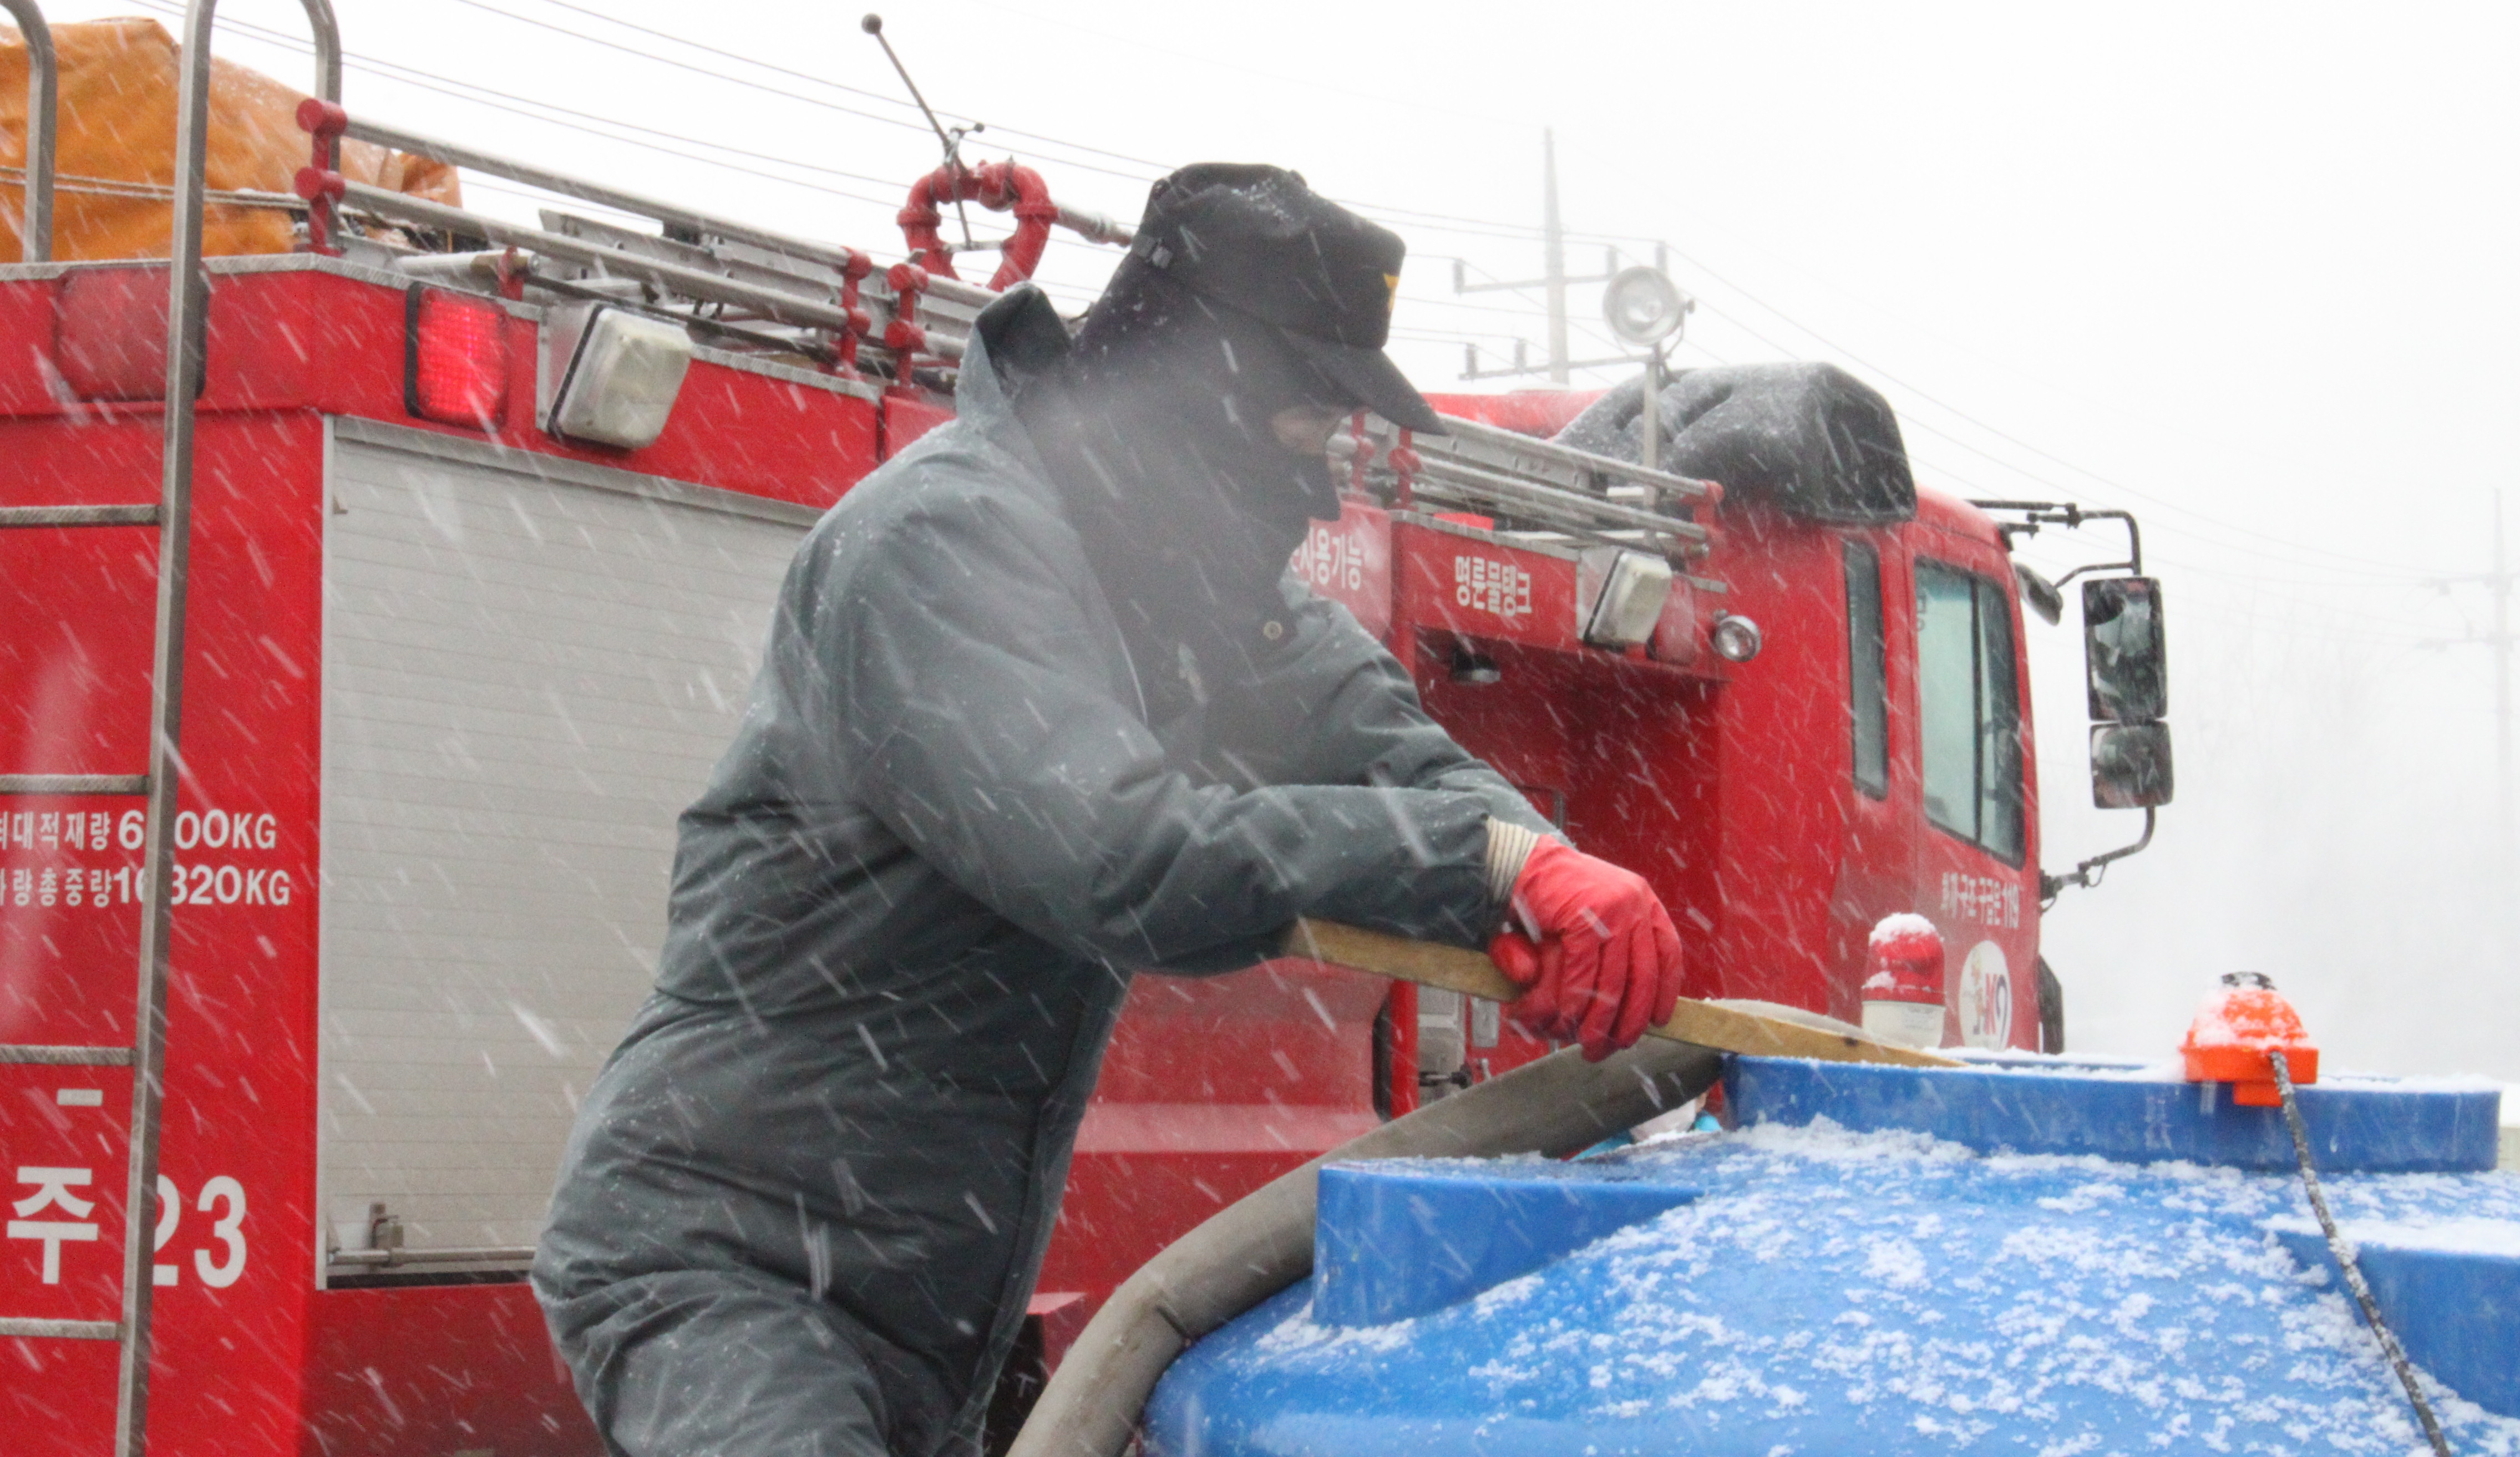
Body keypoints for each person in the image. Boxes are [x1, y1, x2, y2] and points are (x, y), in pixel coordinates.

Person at [532, 163, 1684, 1457]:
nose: (1318, 491)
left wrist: (1549, 878)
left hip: (917, 1304)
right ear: (1196, 394)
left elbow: (1399, 758)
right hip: (725, 1263)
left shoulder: (1198, 599)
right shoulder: (938, 544)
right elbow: (1117, 860)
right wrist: (1484, 861)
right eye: (1306, 430)